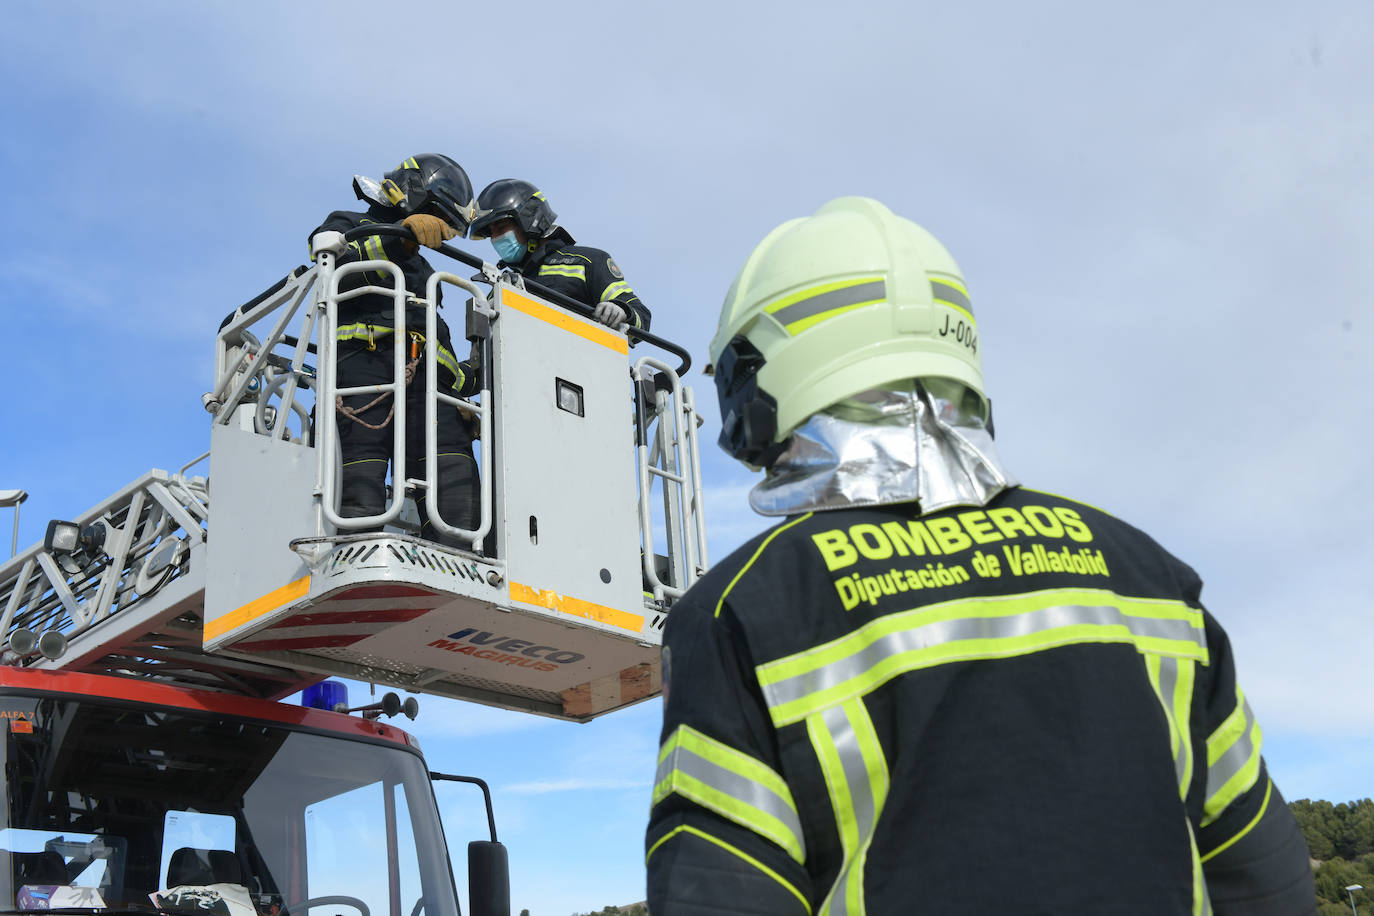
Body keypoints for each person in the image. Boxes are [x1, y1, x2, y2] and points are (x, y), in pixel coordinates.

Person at [644, 197, 1316, 914]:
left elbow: (718, 896)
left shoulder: (746, 608)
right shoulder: (1149, 578)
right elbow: (1266, 880)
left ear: (768, 372)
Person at [310, 154, 482, 548]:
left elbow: (439, 347)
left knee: (453, 480)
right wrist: (399, 238)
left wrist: (469, 380)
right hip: (363, 370)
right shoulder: (348, 224)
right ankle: (353, 557)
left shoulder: (422, 270)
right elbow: (330, 258)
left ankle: (459, 564)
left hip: (428, 386)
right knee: (359, 480)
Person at [467, 179, 651, 332]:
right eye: (490, 233)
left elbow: (641, 318)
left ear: (529, 221)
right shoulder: (502, 285)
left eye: (501, 227)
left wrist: (621, 311)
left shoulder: (586, 262)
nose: (495, 238)